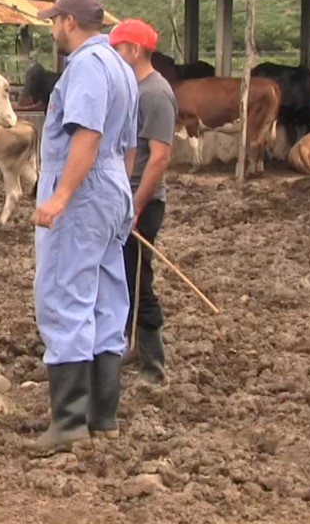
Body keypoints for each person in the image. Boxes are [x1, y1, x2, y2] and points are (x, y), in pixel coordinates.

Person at [29, 0, 138, 452]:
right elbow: (128, 144)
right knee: (107, 295)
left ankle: (68, 421)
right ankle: (103, 416)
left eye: (55, 20)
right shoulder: (121, 65)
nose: (52, 27)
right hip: (112, 185)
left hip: (83, 188)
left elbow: (87, 136)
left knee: (63, 291)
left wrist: (61, 196)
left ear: (70, 22)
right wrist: (122, 197)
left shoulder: (88, 68)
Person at [109, 19, 176, 385]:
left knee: (138, 280)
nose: (114, 56)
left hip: (142, 204)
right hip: (127, 199)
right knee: (122, 277)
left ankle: (154, 364)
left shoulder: (155, 94)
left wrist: (135, 206)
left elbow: (160, 157)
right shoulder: (133, 89)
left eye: (118, 49)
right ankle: (130, 344)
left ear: (134, 50)